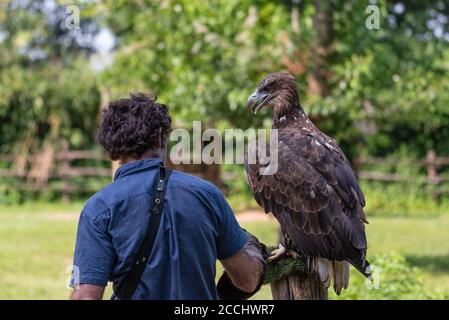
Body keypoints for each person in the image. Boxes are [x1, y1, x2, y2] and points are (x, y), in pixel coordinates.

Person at [70, 93, 267, 300]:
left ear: (112, 150)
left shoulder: (99, 208)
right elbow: (247, 280)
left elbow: (87, 296)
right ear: (159, 138)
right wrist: (252, 248)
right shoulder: (207, 194)